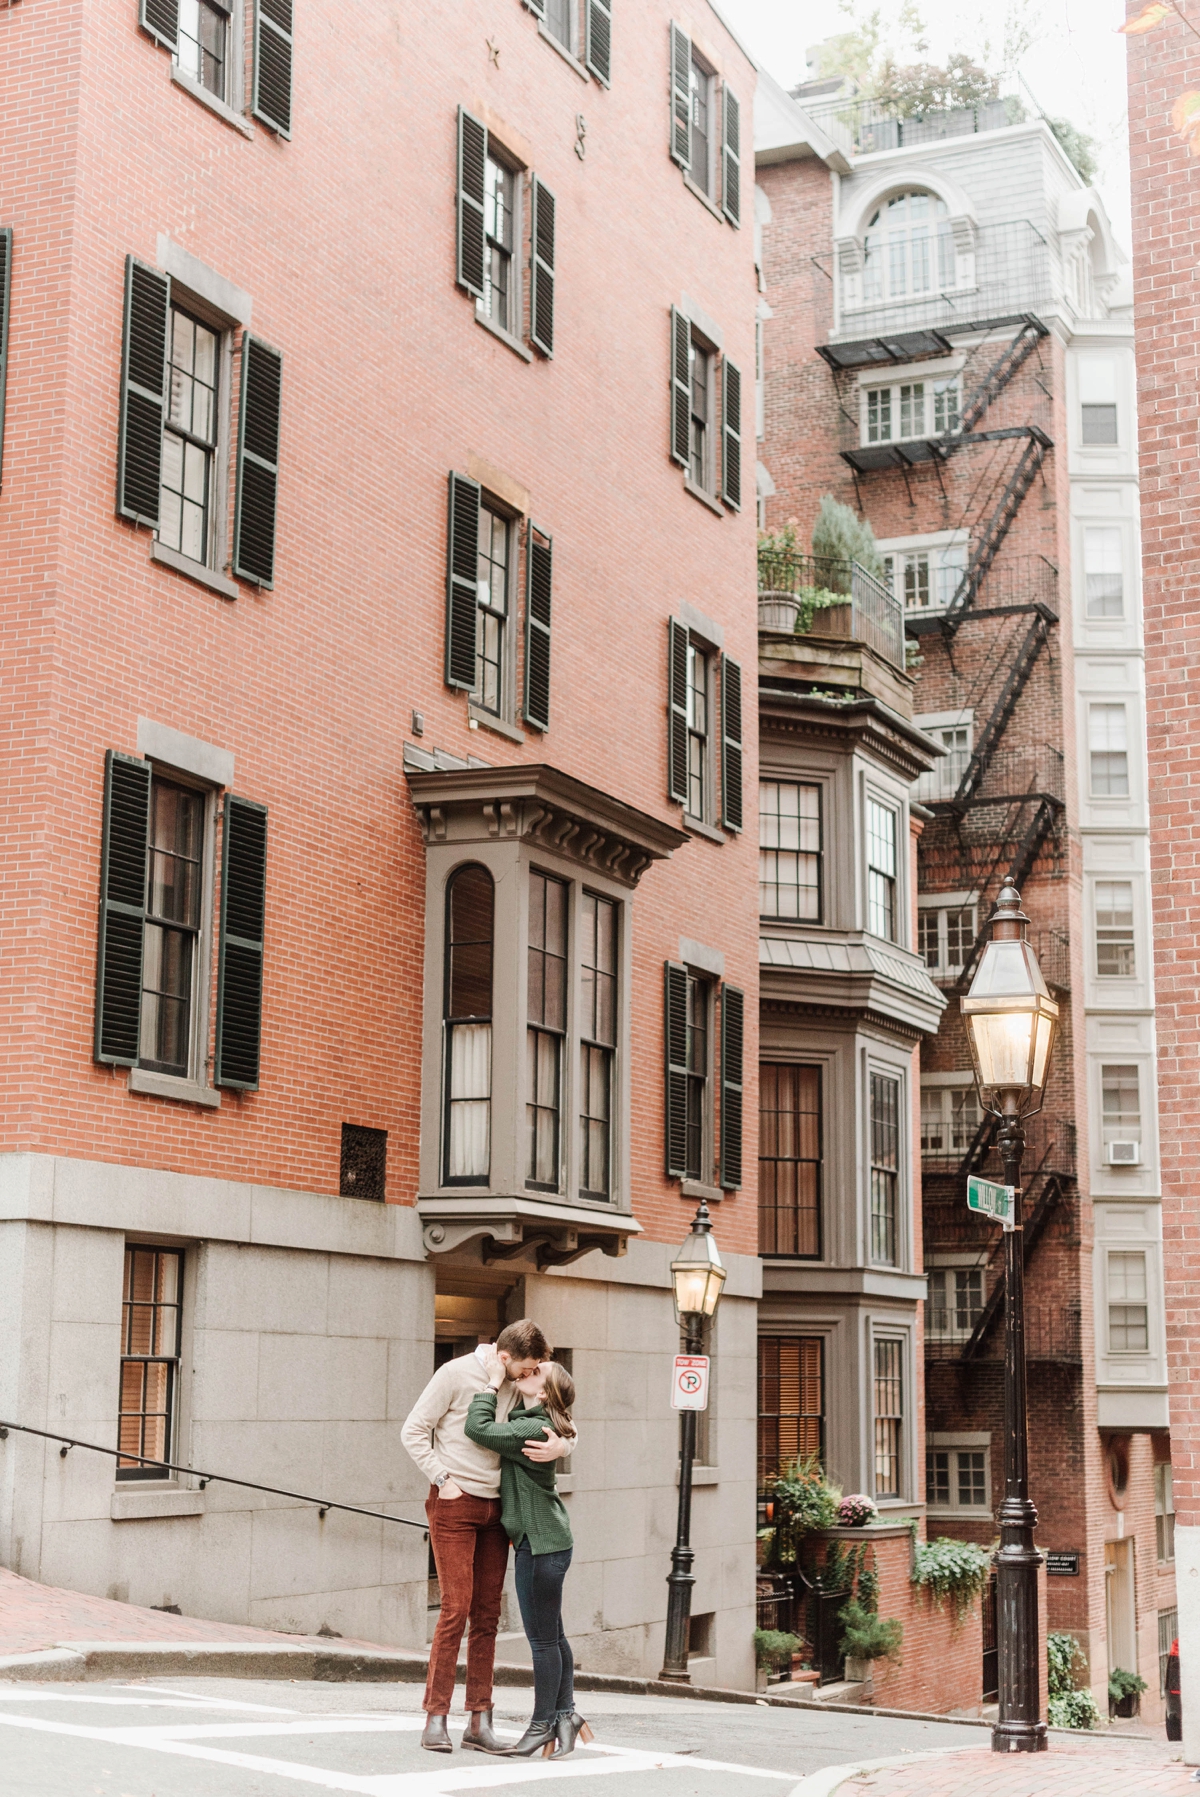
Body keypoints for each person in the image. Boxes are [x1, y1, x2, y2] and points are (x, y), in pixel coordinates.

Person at [400, 1319, 572, 1754]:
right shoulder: (454, 1374)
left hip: (499, 1513)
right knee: (455, 1608)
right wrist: (442, 1478)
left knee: (487, 1616)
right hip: (455, 1502)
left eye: (535, 1370)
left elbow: (557, 1412)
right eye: (527, 1368)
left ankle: (479, 1720)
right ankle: (435, 1717)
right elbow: (413, 1430)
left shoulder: (519, 1382)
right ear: (505, 1357)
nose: (531, 1375)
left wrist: (564, 1447)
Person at [465, 1356, 593, 1760]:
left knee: (542, 1641)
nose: (530, 1370)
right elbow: (566, 1424)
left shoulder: (529, 1427)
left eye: (538, 1372)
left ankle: (541, 1725)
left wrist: (488, 1386)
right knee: (553, 1636)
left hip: (539, 1546)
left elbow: (477, 1429)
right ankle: (565, 1715)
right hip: (549, 1540)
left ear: (543, 1392)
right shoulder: (540, 1419)